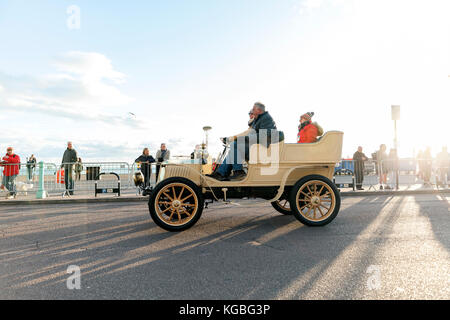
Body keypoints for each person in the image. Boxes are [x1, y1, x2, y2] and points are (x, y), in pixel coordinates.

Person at [209, 102, 282, 181]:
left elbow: (264, 136)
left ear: (259, 110)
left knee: (235, 145)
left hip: (263, 149)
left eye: (253, 110)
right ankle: (221, 173)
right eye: (250, 113)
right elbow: (250, 134)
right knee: (233, 149)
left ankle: (238, 171)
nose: (251, 113)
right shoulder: (258, 120)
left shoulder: (265, 118)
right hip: (257, 147)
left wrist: (241, 139)